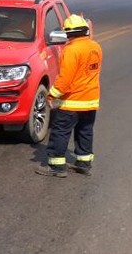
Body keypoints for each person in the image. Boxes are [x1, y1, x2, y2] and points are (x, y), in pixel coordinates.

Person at [36, 14, 102, 178]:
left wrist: (51, 95)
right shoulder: (95, 47)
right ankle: (84, 164)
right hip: (91, 101)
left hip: (73, 102)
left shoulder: (71, 50)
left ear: (68, 33)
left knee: (60, 132)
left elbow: (65, 80)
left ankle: (57, 167)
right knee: (85, 132)